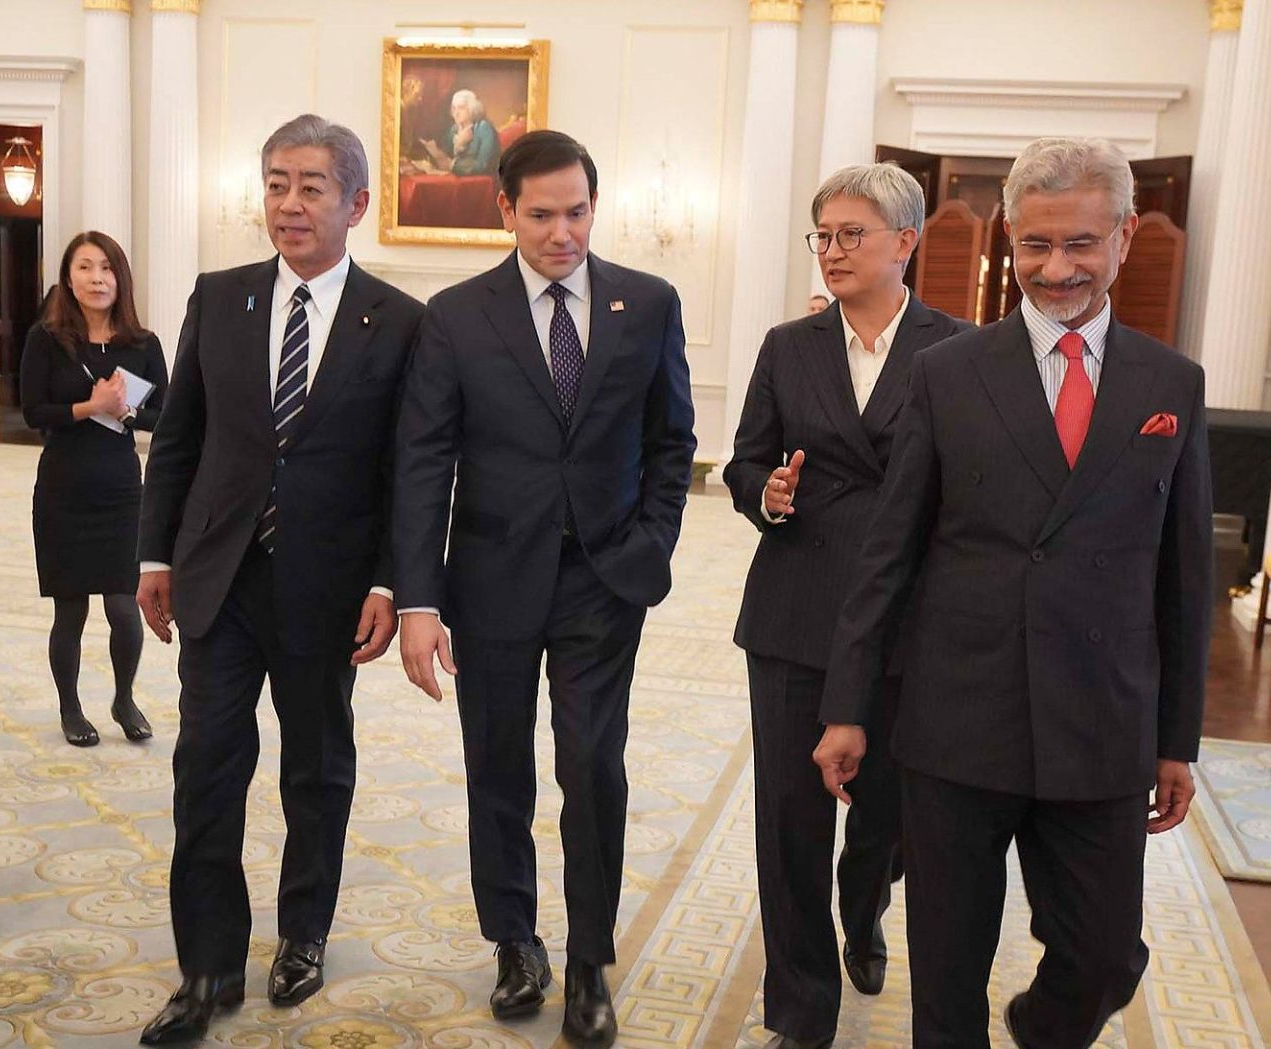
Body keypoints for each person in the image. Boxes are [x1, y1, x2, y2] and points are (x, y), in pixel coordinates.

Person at [814, 137, 1213, 1049]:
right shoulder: (948, 372)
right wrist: (848, 707)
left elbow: (1185, 579)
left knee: (1105, 957)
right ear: (1007, 236)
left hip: (1103, 722)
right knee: (947, 974)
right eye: (1036, 244)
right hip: (960, 717)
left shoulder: (1173, 386)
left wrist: (1176, 738)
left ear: (1125, 237)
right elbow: (887, 557)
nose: (1057, 267)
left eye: (1080, 243)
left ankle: (1039, 1025)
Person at [395, 129, 695, 1047]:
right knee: (498, 764)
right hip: (490, 579)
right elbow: (424, 460)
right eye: (541, 215)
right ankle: (515, 942)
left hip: (604, 578)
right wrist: (417, 601)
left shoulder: (648, 302)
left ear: (594, 207)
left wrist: (652, 541)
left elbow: (673, 441)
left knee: (593, 766)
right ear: (505, 210)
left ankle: (590, 959)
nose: (562, 233)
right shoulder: (456, 315)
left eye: (577, 212)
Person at [134, 114, 424, 1045]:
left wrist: (390, 582)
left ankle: (304, 931)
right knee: (206, 768)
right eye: (276, 184)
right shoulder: (219, 297)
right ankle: (207, 964)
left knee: (316, 768)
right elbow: (180, 436)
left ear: (356, 202)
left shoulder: (399, 319)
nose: (289, 204)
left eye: (311, 186)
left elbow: (406, 470)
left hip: (326, 588)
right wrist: (154, 554)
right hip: (219, 576)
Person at [724, 163, 971, 1049]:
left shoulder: (958, 349)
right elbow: (743, 462)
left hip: (910, 619)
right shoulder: (788, 346)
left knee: (888, 810)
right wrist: (767, 493)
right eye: (822, 235)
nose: (831, 251)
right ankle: (801, 1009)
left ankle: (863, 904)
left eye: (850, 234)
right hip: (796, 609)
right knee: (790, 820)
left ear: (906, 241)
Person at [20, 231, 167, 747]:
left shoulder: (143, 345)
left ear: (120, 278)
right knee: (71, 610)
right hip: (63, 488)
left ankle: (124, 699)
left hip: (122, 490)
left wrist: (124, 412)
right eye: (84, 267)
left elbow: (166, 416)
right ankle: (71, 709)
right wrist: (91, 406)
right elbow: (34, 412)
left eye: (106, 268)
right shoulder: (47, 339)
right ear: (68, 277)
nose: (96, 278)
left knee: (124, 606)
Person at [422, 88, 500, 176]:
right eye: (454, 108)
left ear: (472, 109)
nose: (456, 113)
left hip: (484, 181)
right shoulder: (454, 130)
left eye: (461, 108)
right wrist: (436, 153)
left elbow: (483, 165)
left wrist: (453, 165)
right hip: (459, 180)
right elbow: (445, 158)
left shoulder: (484, 128)